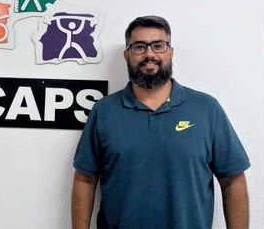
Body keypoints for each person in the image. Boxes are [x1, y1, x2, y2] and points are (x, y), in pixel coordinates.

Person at [72, 16, 250, 229]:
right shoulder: (104, 111)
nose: (149, 54)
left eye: (158, 45)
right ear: (127, 55)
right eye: (139, 46)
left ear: (170, 52)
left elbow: (232, 181)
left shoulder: (206, 109)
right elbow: (85, 180)